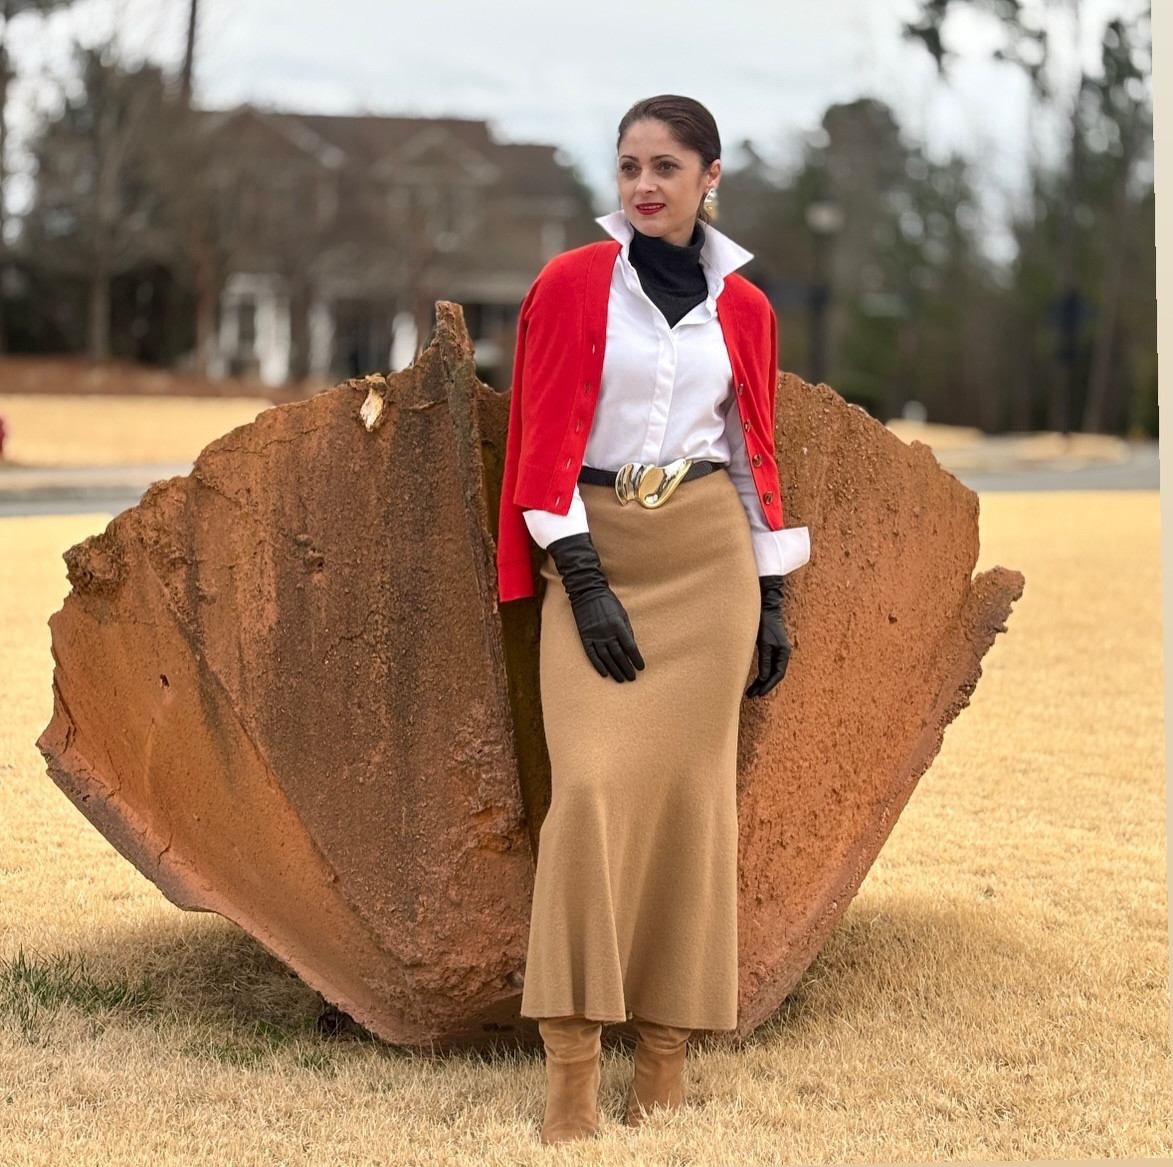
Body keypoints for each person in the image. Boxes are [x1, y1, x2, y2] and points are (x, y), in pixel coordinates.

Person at [496, 94, 810, 1144]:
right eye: (629, 165)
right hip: (595, 540)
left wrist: (769, 596)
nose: (643, 185)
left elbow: (752, 449)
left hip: (709, 555)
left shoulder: (746, 307)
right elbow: (539, 437)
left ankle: (665, 1065)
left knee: (692, 807)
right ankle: (574, 1077)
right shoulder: (573, 283)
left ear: (709, 177)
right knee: (585, 795)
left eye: (666, 167)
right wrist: (580, 578)